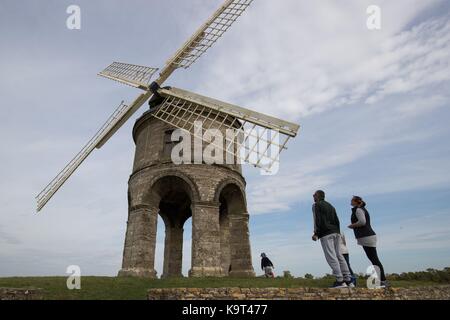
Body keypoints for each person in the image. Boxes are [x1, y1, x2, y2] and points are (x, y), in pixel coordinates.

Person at [312, 190, 352, 288]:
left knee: (331, 256)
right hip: (336, 232)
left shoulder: (316, 205)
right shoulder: (331, 206)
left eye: (314, 194)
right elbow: (336, 219)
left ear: (318, 196)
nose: (313, 196)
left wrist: (316, 233)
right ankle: (348, 280)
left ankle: (340, 280)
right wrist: (338, 231)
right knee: (339, 256)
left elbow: (317, 219)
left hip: (326, 233)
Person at [348, 196, 388, 288]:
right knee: (374, 259)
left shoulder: (358, 210)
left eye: (352, 200)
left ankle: (383, 280)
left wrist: (352, 225)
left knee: (374, 259)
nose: (350, 201)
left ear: (355, 202)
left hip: (367, 236)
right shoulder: (361, 209)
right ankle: (382, 280)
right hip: (368, 236)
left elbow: (362, 222)